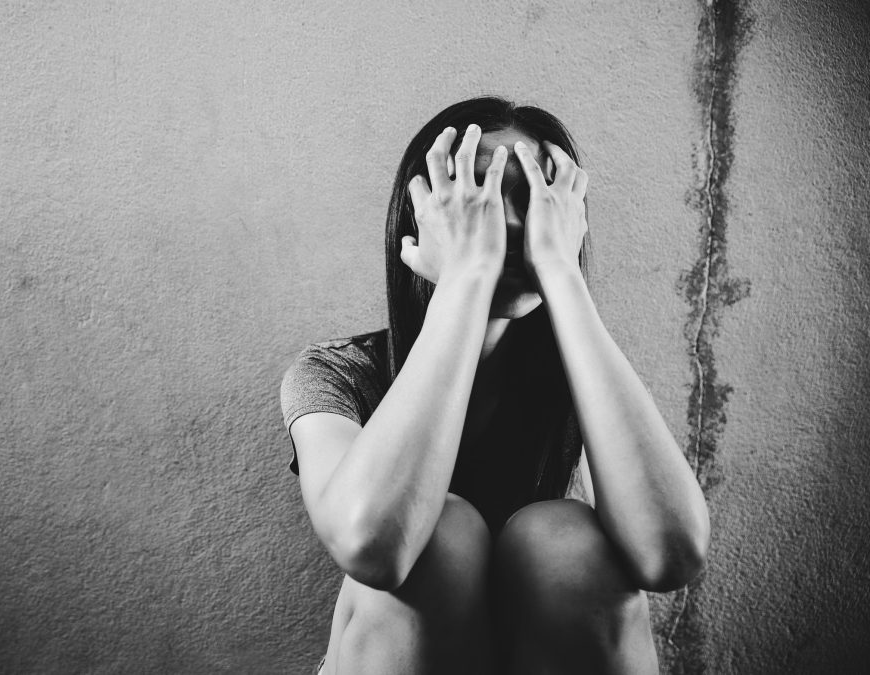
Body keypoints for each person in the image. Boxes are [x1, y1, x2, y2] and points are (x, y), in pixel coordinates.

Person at [280, 96, 710, 674]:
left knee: (563, 540)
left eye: (531, 197)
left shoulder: (580, 373)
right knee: (439, 536)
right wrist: (468, 277)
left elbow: (670, 556)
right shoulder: (338, 373)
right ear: (423, 221)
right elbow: (373, 546)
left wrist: (560, 271)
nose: (508, 220)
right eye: (475, 190)